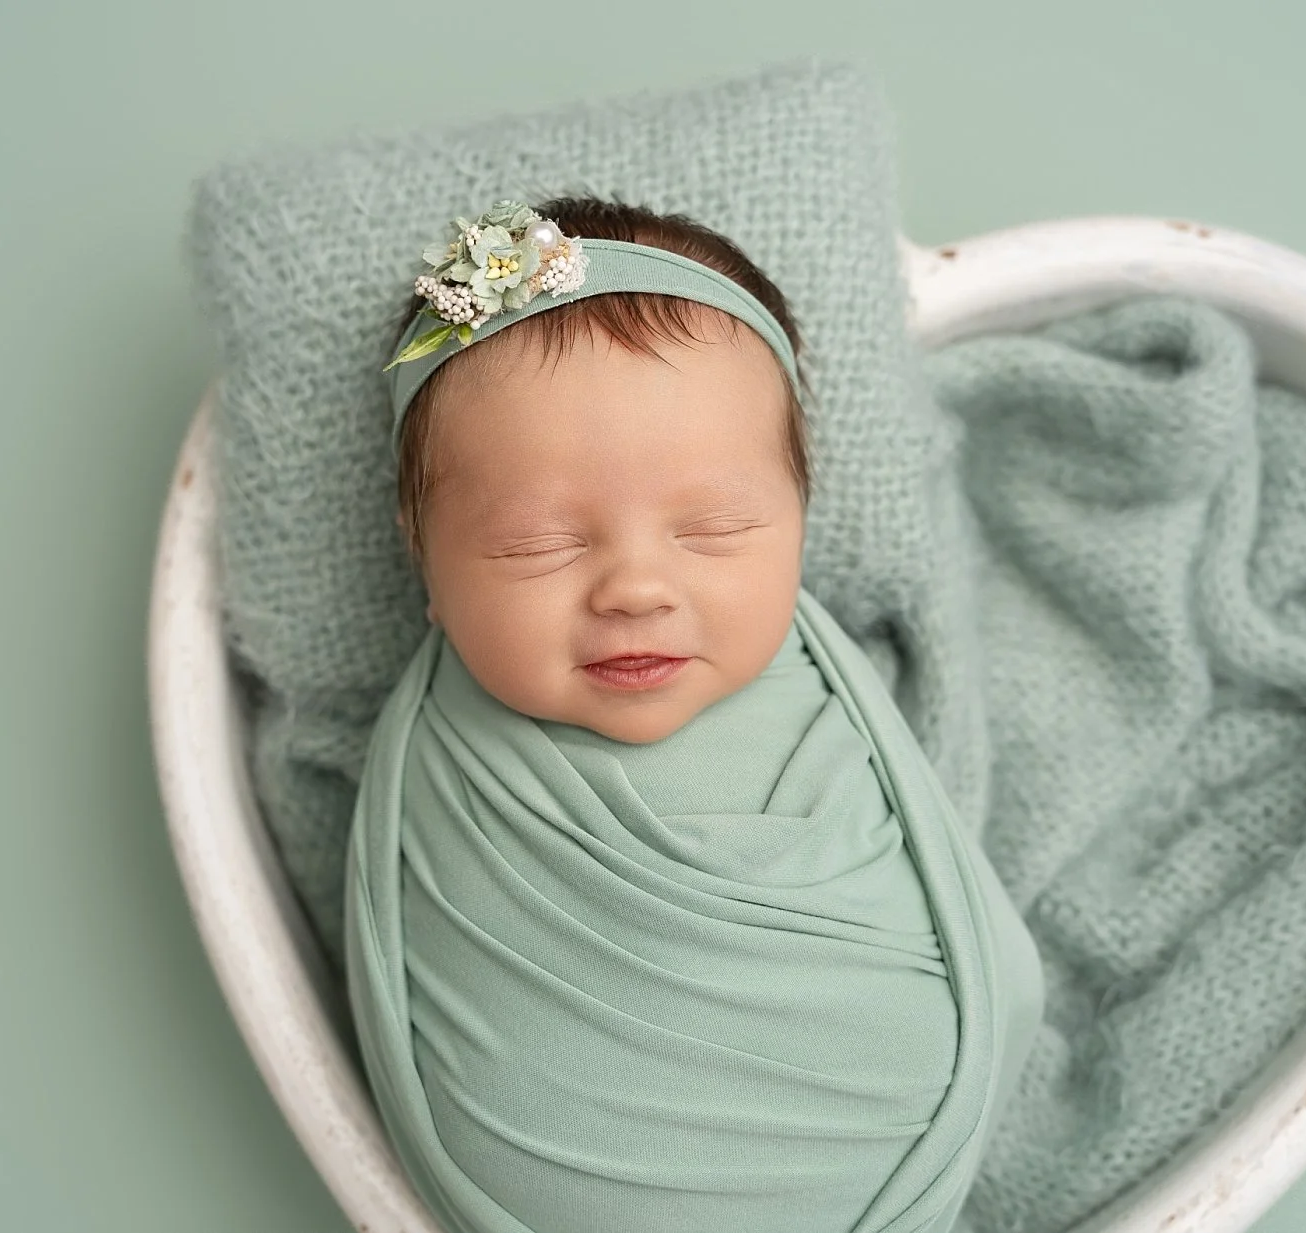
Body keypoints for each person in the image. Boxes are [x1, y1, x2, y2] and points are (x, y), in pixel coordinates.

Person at [345, 195, 1044, 1233]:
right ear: (425, 556)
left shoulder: (823, 683)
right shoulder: (444, 766)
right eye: (538, 544)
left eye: (714, 529)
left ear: (801, 517)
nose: (634, 589)